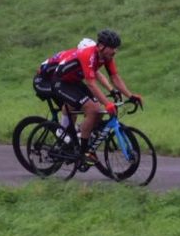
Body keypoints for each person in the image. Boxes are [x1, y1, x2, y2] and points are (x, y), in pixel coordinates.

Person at [52, 29, 143, 162]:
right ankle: (83, 153)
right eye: (112, 48)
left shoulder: (107, 57)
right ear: (101, 46)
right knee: (93, 109)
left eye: (116, 48)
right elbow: (91, 84)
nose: (115, 51)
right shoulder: (88, 55)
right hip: (61, 82)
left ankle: (80, 134)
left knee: (99, 111)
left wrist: (130, 96)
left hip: (74, 82)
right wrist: (108, 103)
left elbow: (115, 78)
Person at [32, 38, 114, 136]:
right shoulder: (72, 57)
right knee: (71, 105)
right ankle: (63, 133)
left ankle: (78, 131)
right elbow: (41, 71)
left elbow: (96, 73)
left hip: (62, 81)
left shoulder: (88, 57)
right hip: (44, 81)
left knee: (87, 104)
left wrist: (111, 89)